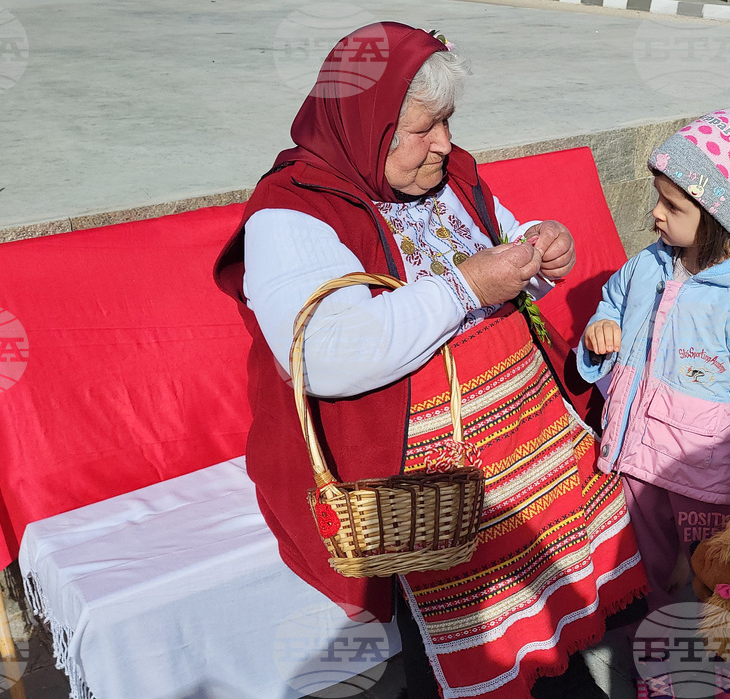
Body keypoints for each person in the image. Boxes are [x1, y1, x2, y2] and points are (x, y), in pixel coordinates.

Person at [215, 23, 648, 699]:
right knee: (463, 653)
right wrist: (467, 285)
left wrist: (539, 254)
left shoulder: (449, 175)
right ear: (368, 125)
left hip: (518, 456)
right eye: (425, 127)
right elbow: (326, 353)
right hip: (424, 498)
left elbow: (501, 254)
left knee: (544, 618)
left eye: (448, 121)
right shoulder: (294, 213)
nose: (445, 142)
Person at [577, 97, 730, 698]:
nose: (654, 215)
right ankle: (661, 668)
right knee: (654, 581)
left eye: (672, 205)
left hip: (711, 485)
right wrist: (602, 331)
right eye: (658, 197)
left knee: (722, 589)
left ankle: (723, 680)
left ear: (719, 215)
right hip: (640, 465)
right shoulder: (651, 264)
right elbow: (612, 302)